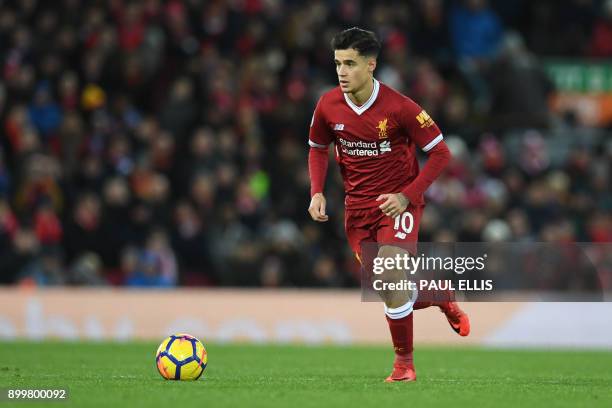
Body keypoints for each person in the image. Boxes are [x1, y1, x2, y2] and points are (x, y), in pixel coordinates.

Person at [307, 27, 470, 382]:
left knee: (390, 273)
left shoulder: (400, 107)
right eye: (338, 63)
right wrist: (316, 191)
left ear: (371, 65)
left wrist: (406, 196)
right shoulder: (328, 104)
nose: (342, 71)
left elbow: (441, 153)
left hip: (398, 206)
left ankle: (404, 366)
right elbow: (318, 148)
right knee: (389, 287)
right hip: (357, 210)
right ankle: (438, 295)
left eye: (350, 63)